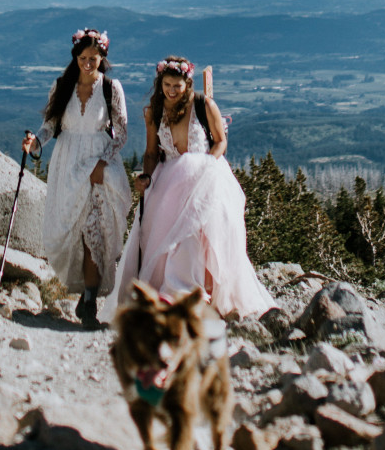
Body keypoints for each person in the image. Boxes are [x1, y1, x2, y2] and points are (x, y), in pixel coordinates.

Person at [102, 56, 274, 323]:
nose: (171, 91)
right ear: (160, 84)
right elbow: (151, 151)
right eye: (167, 85)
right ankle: (169, 292)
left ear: (188, 84)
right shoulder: (154, 112)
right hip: (168, 180)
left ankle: (191, 292)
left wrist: (206, 167)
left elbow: (220, 142)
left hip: (205, 176)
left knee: (196, 235)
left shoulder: (204, 105)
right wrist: (146, 176)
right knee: (163, 238)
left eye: (177, 86)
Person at [23, 27, 132, 329]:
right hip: (67, 163)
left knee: (94, 233)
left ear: (102, 58)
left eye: (93, 58)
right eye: (83, 58)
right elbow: (50, 126)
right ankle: (85, 297)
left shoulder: (112, 89)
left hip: (99, 164)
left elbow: (121, 134)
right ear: (75, 58)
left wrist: (102, 162)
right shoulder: (61, 86)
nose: (88, 63)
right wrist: (36, 143)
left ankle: (89, 303)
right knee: (72, 232)